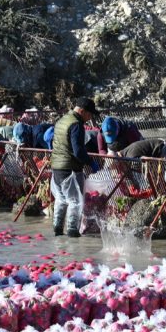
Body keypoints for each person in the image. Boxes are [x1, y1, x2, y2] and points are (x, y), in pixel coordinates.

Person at [49, 97, 100, 238]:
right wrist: (90, 162)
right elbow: (78, 151)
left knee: (60, 199)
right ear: (82, 111)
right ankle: (72, 231)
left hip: (56, 167)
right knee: (75, 201)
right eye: (89, 114)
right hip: (69, 168)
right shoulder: (76, 124)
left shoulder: (61, 120)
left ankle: (57, 229)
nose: (90, 118)